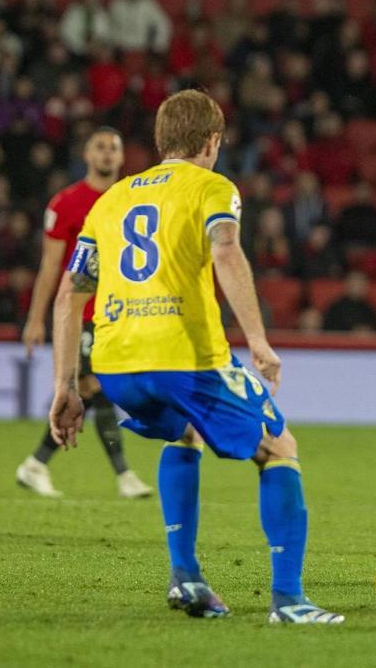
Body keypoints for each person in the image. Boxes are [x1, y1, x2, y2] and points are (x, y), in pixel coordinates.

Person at [48, 90, 342, 625]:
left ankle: (187, 580)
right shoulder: (213, 187)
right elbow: (226, 250)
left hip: (115, 363)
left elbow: (71, 292)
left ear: (161, 142)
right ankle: (290, 601)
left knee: (184, 433)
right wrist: (257, 340)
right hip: (182, 354)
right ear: (212, 142)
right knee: (279, 446)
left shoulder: (109, 200)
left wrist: (66, 386)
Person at [18, 128, 152, 500]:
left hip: (119, 312)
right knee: (93, 386)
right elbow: (50, 267)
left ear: (123, 157)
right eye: (100, 147)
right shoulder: (66, 203)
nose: (108, 154)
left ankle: (36, 463)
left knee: (97, 388)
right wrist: (35, 318)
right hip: (81, 314)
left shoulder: (132, 201)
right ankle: (122, 475)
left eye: (114, 148)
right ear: (87, 156)